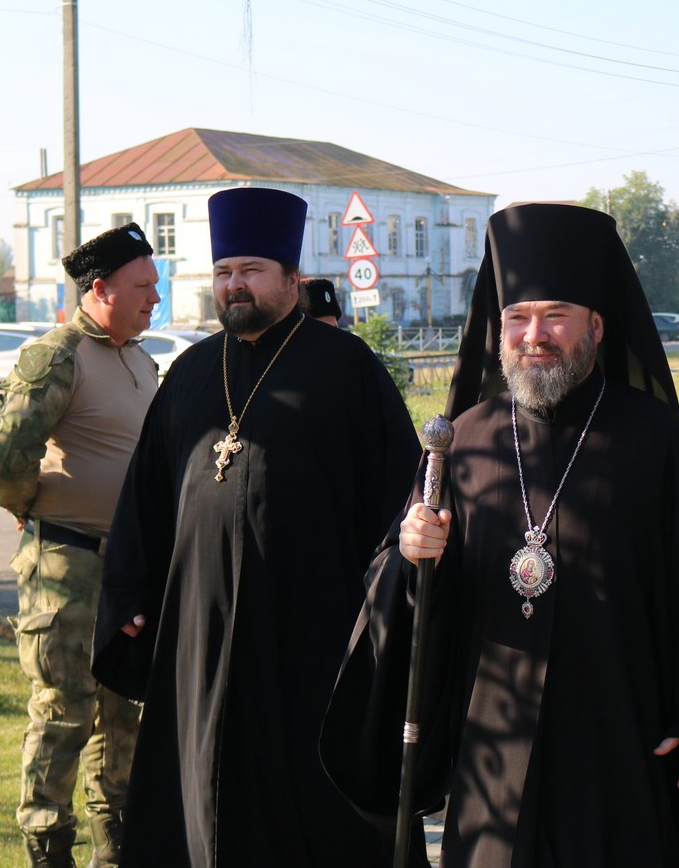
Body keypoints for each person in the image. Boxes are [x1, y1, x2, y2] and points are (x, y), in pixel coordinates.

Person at [324, 202, 679, 868]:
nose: (533, 334)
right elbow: (411, 595)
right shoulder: (466, 442)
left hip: (618, 744)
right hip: (493, 748)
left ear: (596, 326)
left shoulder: (656, 443)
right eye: (516, 318)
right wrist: (409, 557)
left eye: (554, 316)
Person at [92, 186, 422, 868]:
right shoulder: (185, 377)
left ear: (292, 279)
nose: (233, 284)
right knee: (198, 801)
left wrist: (392, 610)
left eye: (250, 269)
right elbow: (145, 503)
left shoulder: (349, 373)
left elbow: (400, 505)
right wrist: (129, 597)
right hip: (200, 643)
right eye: (222, 271)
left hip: (314, 645)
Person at [0, 222, 162, 868]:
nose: (155, 299)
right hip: (66, 565)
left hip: (126, 569)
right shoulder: (59, 354)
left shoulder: (139, 358)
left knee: (122, 717)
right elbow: (9, 456)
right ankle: (46, 851)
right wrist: (27, 507)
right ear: (100, 287)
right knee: (64, 715)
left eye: (155, 286)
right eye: (143, 287)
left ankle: (114, 853)